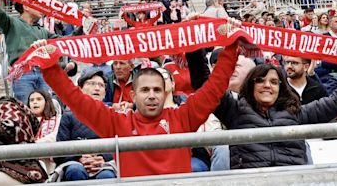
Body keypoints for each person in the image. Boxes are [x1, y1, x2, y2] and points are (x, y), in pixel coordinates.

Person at [35, 21, 240, 177]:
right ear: (133, 95)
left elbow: (214, 87)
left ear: (166, 92)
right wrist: (48, 66)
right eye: (145, 90)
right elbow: (75, 99)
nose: (151, 95)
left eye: (157, 90)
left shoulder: (183, 117)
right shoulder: (117, 122)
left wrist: (231, 48)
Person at [212, 38, 337, 169]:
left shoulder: (296, 113)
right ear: (250, 85)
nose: (267, 85)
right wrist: (194, 50)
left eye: (274, 82)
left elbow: (336, 102)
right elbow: (207, 86)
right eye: (260, 80)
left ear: (281, 88)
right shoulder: (235, 111)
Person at [0, 0, 77, 103]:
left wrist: (83, 27)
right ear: (26, 6)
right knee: (27, 111)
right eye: (36, 4)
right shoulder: (11, 23)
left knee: (47, 112)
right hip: (23, 74)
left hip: (45, 73)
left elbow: (66, 41)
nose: (41, 8)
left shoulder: (43, 31)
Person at [53, 70, 117, 181]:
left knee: (106, 176)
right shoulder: (68, 116)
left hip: (105, 163)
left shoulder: (114, 116)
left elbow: (121, 145)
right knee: (75, 171)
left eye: (101, 85)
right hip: (75, 163)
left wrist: (102, 157)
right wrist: (79, 157)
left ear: (105, 93)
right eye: (91, 83)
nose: (97, 88)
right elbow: (59, 152)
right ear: (80, 89)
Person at [27, 90, 62, 174]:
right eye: (32, 100)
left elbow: (54, 137)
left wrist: (32, 145)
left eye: (39, 99)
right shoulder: (25, 122)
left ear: (46, 102)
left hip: (51, 163)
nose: (35, 102)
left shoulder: (58, 119)